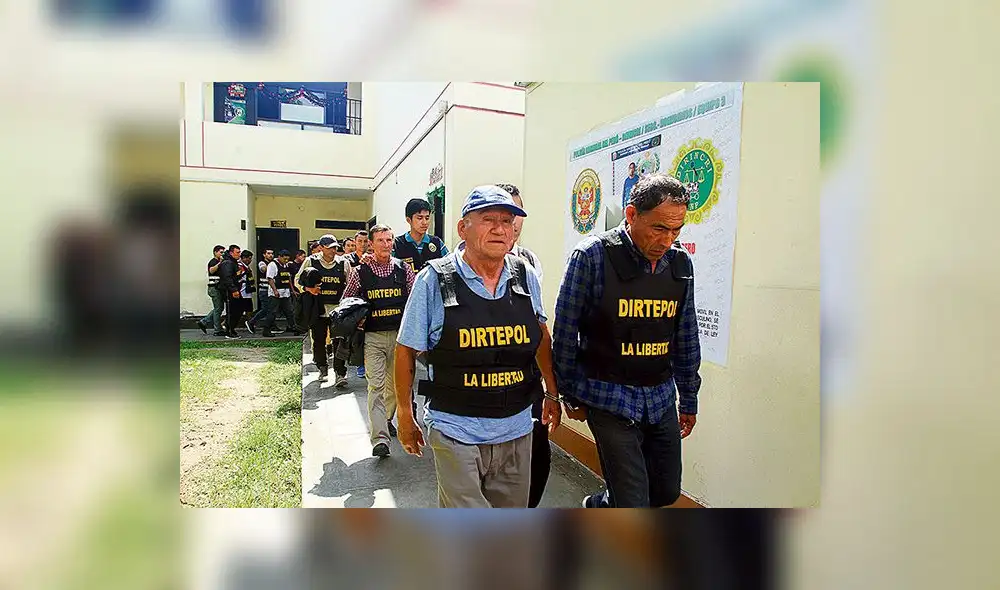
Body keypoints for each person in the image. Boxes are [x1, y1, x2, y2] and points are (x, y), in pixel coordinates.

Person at [394, 185, 562, 508]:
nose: (501, 229)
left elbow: (541, 336)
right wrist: (404, 412)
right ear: (462, 228)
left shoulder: (525, 276)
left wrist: (552, 392)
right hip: (455, 430)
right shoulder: (433, 281)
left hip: (516, 428)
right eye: (488, 220)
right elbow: (406, 350)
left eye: (508, 220)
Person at [553, 173, 702, 508]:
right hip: (609, 397)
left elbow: (686, 335)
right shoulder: (591, 257)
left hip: (661, 397)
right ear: (632, 215)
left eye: (677, 230)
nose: (668, 240)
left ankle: (601, 505)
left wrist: (689, 397)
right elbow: (565, 331)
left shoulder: (680, 264)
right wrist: (570, 393)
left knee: (665, 492)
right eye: (659, 228)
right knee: (632, 501)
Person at [496, 183, 549, 508]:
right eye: (503, 214)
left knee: (537, 456)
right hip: (482, 384)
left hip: (526, 377)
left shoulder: (527, 261)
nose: (512, 223)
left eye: (517, 213)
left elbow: (538, 323)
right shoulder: (456, 264)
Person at [343, 224, 416, 457]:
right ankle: (380, 439)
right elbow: (348, 301)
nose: (386, 244)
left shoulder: (403, 270)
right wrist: (357, 318)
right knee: (375, 386)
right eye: (381, 240)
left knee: (396, 387)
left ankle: (384, 420)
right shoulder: (360, 272)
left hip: (400, 339)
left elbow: (415, 300)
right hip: (373, 338)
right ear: (371, 244)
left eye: (389, 240)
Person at [296, 235, 353, 386]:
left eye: (335, 247)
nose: (333, 250)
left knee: (339, 342)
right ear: (321, 247)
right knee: (319, 341)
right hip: (317, 309)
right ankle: (322, 368)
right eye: (330, 248)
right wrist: (307, 289)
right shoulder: (311, 261)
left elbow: (351, 284)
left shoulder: (343, 263)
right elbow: (297, 280)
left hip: (337, 310)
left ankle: (340, 373)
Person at [392, 197, 449, 273]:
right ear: (409, 220)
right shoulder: (397, 244)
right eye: (420, 218)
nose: (424, 222)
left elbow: (449, 266)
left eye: (427, 218)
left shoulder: (437, 243)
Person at [260, 249, 301, 337]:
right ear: (279, 257)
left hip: (285, 292)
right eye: (284, 259)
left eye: (287, 259)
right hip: (276, 293)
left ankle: (292, 326)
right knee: (272, 312)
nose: (286, 260)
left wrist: (293, 290)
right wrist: (275, 290)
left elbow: (289, 277)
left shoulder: (286, 265)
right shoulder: (273, 265)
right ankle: (266, 330)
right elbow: (270, 278)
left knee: (289, 311)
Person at [346, 230, 370, 377]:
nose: (363, 244)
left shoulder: (372, 258)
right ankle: (359, 364)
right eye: (360, 241)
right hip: (354, 300)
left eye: (365, 241)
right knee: (357, 335)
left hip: (369, 300)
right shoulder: (347, 259)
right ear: (355, 242)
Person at [197, 245, 226, 335]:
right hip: (214, 288)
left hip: (218, 288)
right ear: (215, 252)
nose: (222, 254)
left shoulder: (221, 262)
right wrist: (219, 263)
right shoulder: (213, 262)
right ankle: (217, 330)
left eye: (223, 252)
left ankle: (204, 322)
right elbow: (211, 270)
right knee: (218, 309)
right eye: (221, 252)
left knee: (219, 308)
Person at [217, 244, 243, 339]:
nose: (239, 254)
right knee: (232, 311)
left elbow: (235, 276)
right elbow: (227, 278)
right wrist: (234, 290)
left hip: (234, 289)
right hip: (229, 291)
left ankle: (231, 328)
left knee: (238, 309)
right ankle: (229, 331)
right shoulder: (228, 263)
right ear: (231, 252)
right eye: (237, 252)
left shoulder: (234, 262)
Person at [246, 248, 274, 332]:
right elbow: (263, 269)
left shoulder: (273, 263)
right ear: (264, 255)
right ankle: (251, 322)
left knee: (271, 309)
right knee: (265, 309)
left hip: (271, 290)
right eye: (268, 253)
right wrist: (273, 265)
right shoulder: (262, 263)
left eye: (272, 253)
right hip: (264, 289)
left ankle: (271, 325)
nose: (270, 255)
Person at [235, 250, 256, 334]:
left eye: (251, 259)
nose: (250, 261)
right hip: (242, 291)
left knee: (249, 309)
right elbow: (238, 277)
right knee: (241, 310)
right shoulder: (240, 266)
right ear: (243, 258)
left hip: (247, 291)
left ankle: (250, 323)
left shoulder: (246, 266)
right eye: (248, 259)